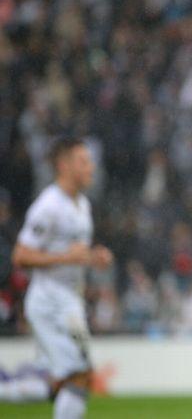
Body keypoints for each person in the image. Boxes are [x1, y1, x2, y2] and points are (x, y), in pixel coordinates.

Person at [0, 137, 113, 419]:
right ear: (63, 165)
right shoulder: (48, 206)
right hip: (49, 302)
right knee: (79, 374)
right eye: (83, 161)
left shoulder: (82, 205)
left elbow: (73, 253)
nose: (91, 167)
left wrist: (92, 257)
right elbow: (21, 256)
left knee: (63, 382)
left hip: (69, 301)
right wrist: (67, 257)